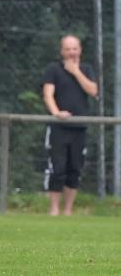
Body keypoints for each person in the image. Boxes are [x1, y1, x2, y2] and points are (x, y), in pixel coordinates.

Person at [42, 34, 98, 216]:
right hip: (59, 127)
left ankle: (68, 210)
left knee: (75, 168)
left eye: (74, 48)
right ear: (62, 51)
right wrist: (56, 113)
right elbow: (48, 94)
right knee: (57, 168)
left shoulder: (86, 69)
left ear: (80, 50)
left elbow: (93, 90)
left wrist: (75, 71)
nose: (71, 52)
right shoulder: (53, 69)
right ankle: (54, 209)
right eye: (67, 49)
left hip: (79, 127)